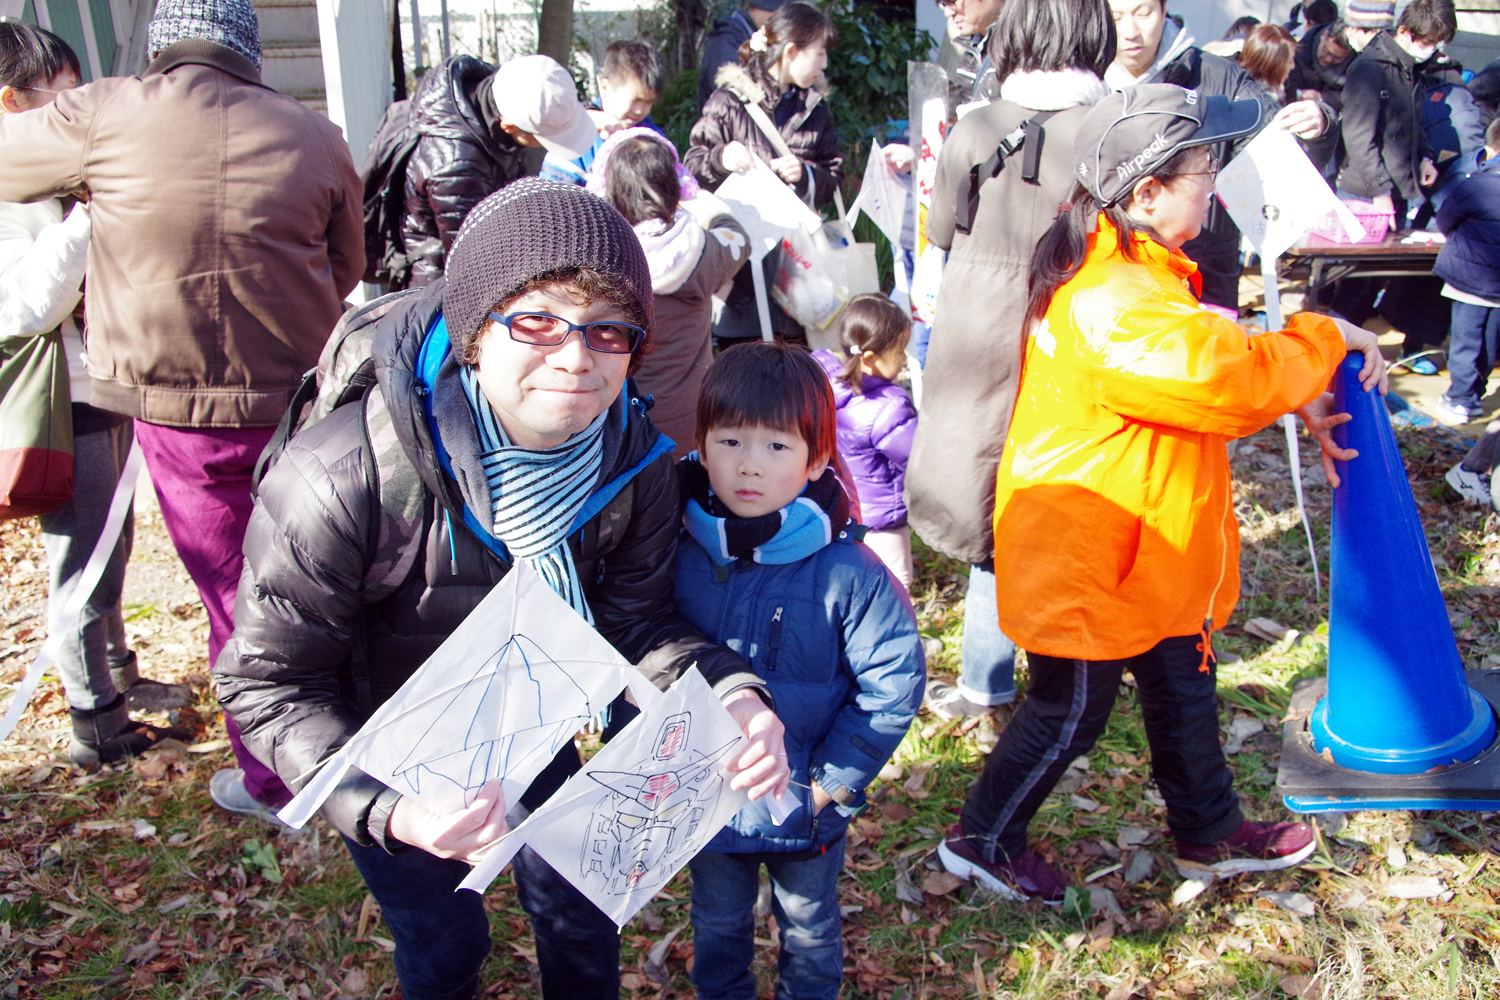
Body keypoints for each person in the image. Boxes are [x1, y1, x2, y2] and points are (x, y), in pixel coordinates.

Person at [213, 179, 791, 1000]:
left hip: (539, 713)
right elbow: (269, 681)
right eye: (537, 321)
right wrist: (388, 814)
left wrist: (731, 695)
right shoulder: (346, 476)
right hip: (397, 757)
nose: (575, 357)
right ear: (477, 332)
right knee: (443, 945)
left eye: (608, 330)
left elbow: (633, 624)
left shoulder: (634, 459)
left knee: (581, 921)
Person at [937, 84, 1389, 901]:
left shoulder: (1139, 273)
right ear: (1146, 194)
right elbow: (1225, 376)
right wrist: (1323, 339)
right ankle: (983, 838)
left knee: (1185, 684)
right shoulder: (1115, 298)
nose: (1214, 184)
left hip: (1144, 546)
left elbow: (1200, 370)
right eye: (1203, 170)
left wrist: (1301, 389)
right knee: (1069, 712)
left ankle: (1209, 832)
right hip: (1091, 554)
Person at [0, 0, 364, 822]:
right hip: (303, 395)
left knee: (233, 589)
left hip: (176, 406)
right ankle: (342, 745)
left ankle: (279, 779)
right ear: (249, 49)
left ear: (163, 45)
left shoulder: (105, 112)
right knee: (326, 567)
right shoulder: (313, 132)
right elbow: (349, 262)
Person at [674, 341, 923, 1000]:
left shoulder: (849, 572)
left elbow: (893, 683)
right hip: (710, 799)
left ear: (816, 459)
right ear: (700, 444)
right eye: (729, 441)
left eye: (777, 447)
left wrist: (833, 783)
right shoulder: (676, 548)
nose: (749, 465)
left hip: (806, 801)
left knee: (809, 927)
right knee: (717, 922)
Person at [908, 0, 1115, 726]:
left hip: (978, 325)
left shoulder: (976, 126)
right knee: (1066, 501)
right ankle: (1070, 684)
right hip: (1073, 325)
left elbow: (937, 228)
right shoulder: (1113, 129)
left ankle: (984, 685)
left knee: (990, 509)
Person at [0, 22, 190, 765]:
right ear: (14, 100)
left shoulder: (48, 177)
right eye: (61, 96)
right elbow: (25, 308)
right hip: (60, 398)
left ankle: (118, 674)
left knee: (112, 545)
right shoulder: (13, 192)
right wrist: (88, 216)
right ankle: (96, 724)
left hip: (104, 382)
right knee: (82, 560)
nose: (74, 111)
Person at [1104, 0, 1334, 316]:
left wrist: (1317, 128)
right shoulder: (1081, 78)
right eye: (1116, 17)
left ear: (1164, 8)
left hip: (1202, 271)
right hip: (1100, 269)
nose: (1131, 32)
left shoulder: (1220, 79)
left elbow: (1280, 165)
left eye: (1143, 13)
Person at [688, 1, 842, 348]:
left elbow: (835, 175)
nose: (825, 64)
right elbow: (693, 164)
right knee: (742, 385)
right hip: (741, 275)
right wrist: (723, 157)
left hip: (799, 276)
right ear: (791, 51)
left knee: (797, 388)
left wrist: (805, 175)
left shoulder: (816, 108)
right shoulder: (729, 101)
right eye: (819, 53)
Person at [592, 129, 748, 458]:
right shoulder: (701, 249)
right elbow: (738, 238)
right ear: (675, 184)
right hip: (693, 413)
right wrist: (710, 207)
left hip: (623, 417)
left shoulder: (602, 257)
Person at [1333, 0, 1455, 366]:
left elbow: (1410, 124)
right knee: (1356, 283)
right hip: (1366, 193)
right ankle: (1332, 360)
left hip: (1398, 189)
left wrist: (1426, 156)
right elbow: (1358, 138)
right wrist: (1380, 191)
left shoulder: (1410, 67)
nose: (1432, 48)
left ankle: (1355, 360)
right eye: (1429, 40)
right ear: (1404, 32)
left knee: (1377, 282)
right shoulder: (1371, 69)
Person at [406, 53, 593, 286]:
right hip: (438, 280)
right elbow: (472, 260)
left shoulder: (503, 93)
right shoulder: (457, 166)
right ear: (509, 126)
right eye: (545, 138)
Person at [811, 295, 918, 590]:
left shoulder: (821, 376)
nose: (905, 359)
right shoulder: (890, 407)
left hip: (838, 507)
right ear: (871, 359)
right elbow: (914, 458)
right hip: (884, 519)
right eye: (899, 351)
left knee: (850, 582)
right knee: (895, 585)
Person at [1430, 117, 1500, 429]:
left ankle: (1460, 399)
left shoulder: (1476, 184)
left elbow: (1445, 219)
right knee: (1489, 340)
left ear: (1489, 149)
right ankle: (1475, 393)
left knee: (1464, 340)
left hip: (1468, 278)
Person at [540, 41, 667, 186]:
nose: (640, 110)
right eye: (635, 100)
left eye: (649, 102)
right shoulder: (575, 139)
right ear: (605, 87)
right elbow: (552, 197)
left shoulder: (655, 139)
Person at [698, 0, 786, 110]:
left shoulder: (768, 39)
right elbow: (734, 102)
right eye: (777, 11)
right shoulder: (724, 43)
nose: (781, 19)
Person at [935, 0, 1005, 109]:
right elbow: (954, 112)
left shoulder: (1024, 41)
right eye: (943, 3)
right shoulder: (969, 41)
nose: (947, 12)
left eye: (952, 1)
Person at [1287, 17, 1355, 112]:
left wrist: (1322, 97)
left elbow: (1353, 96)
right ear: (1324, 34)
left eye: (1337, 58)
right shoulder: (1301, 50)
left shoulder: (1355, 63)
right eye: (1326, 51)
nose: (1328, 59)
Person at [1238, 24, 1298, 103]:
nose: (1293, 66)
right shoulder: (1241, 95)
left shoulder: (1287, 89)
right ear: (1270, 65)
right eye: (1289, 62)